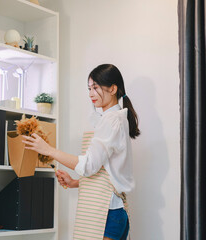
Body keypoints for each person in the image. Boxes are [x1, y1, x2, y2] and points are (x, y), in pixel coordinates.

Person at [22, 64, 140, 240]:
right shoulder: (116, 119)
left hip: (107, 214)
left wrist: (48, 150)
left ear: (113, 89)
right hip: (115, 212)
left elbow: (88, 165)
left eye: (96, 87)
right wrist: (76, 182)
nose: (91, 93)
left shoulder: (111, 120)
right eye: (89, 88)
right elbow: (109, 171)